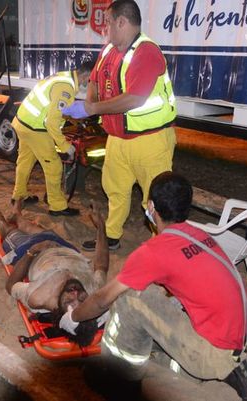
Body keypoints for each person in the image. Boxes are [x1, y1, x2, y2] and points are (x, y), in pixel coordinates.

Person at [59, 172, 247, 401]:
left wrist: (74, 317)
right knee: (149, 316)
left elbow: (101, 299)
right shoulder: (200, 235)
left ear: (151, 206)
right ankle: (226, 370)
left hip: (209, 351)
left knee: (130, 299)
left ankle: (118, 380)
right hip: (234, 341)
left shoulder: (154, 252)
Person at [62, 0, 177, 250]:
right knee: (115, 190)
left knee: (156, 199)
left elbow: (135, 99)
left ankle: (162, 249)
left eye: (108, 23)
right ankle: (112, 236)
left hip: (151, 141)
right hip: (117, 139)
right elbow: (93, 79)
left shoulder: (146, 52)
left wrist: (92, 109)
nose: (105, 29)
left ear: (122, 22)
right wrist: (89, 101)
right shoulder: (108, 50)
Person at [0, 197, 109, 346]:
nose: (75, 293)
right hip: (63, 247)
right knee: (29, 226)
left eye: (69, 300)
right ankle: (17, 214)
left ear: (60, 310)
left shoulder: (38, 297)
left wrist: (32, 251)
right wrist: (101, 227)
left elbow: (10, 285)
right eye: (82, 299)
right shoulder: (94, 291)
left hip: (32, 251)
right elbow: (101, 265)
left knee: (9, 230)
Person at [11, 61, 94, 217]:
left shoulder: (63, 76)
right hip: (35, 129)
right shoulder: (66, 88)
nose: (90, 84)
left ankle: (19, 194)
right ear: (85, 75)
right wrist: (64, 146)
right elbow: (51, 122)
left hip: (22, 122)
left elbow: (54, 107)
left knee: (25, 161)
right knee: (54, 166)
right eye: (90, 80)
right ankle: (57, 206)